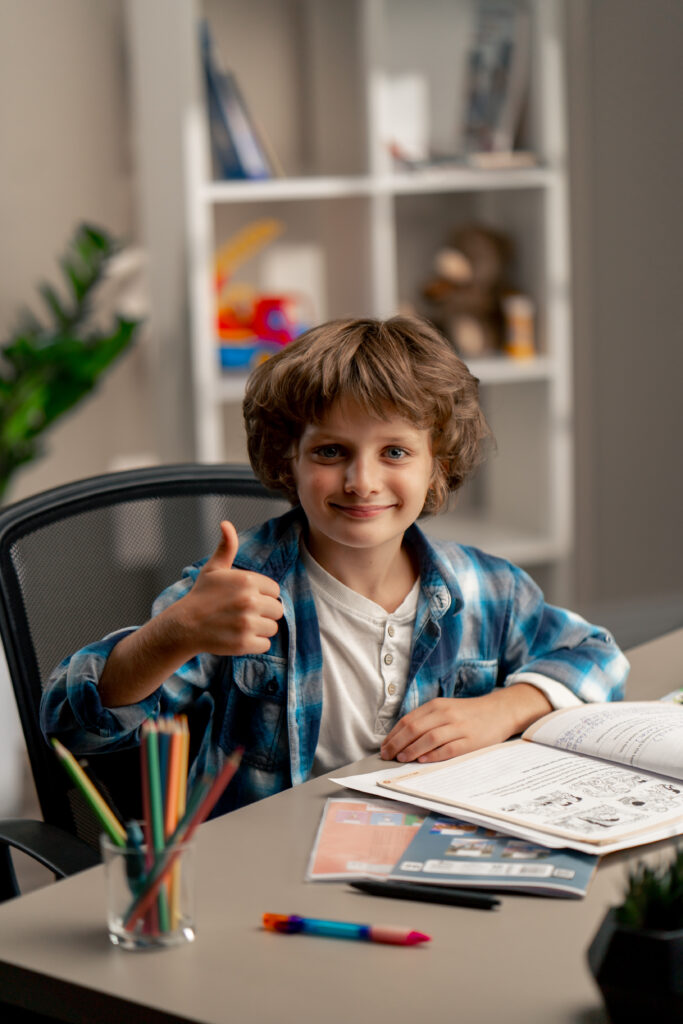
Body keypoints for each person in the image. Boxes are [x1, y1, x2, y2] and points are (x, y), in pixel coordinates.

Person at [40, 316, 629, 815]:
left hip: (429, 847)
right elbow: (72, 727)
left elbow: (599, 657)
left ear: (438, 464)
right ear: (287, 460)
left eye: (394, 451)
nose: (361, 481)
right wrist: (174, 634)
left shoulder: (488, 587)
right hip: (262, 878)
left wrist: (503, 707)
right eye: (330, 452)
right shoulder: (234, 592)